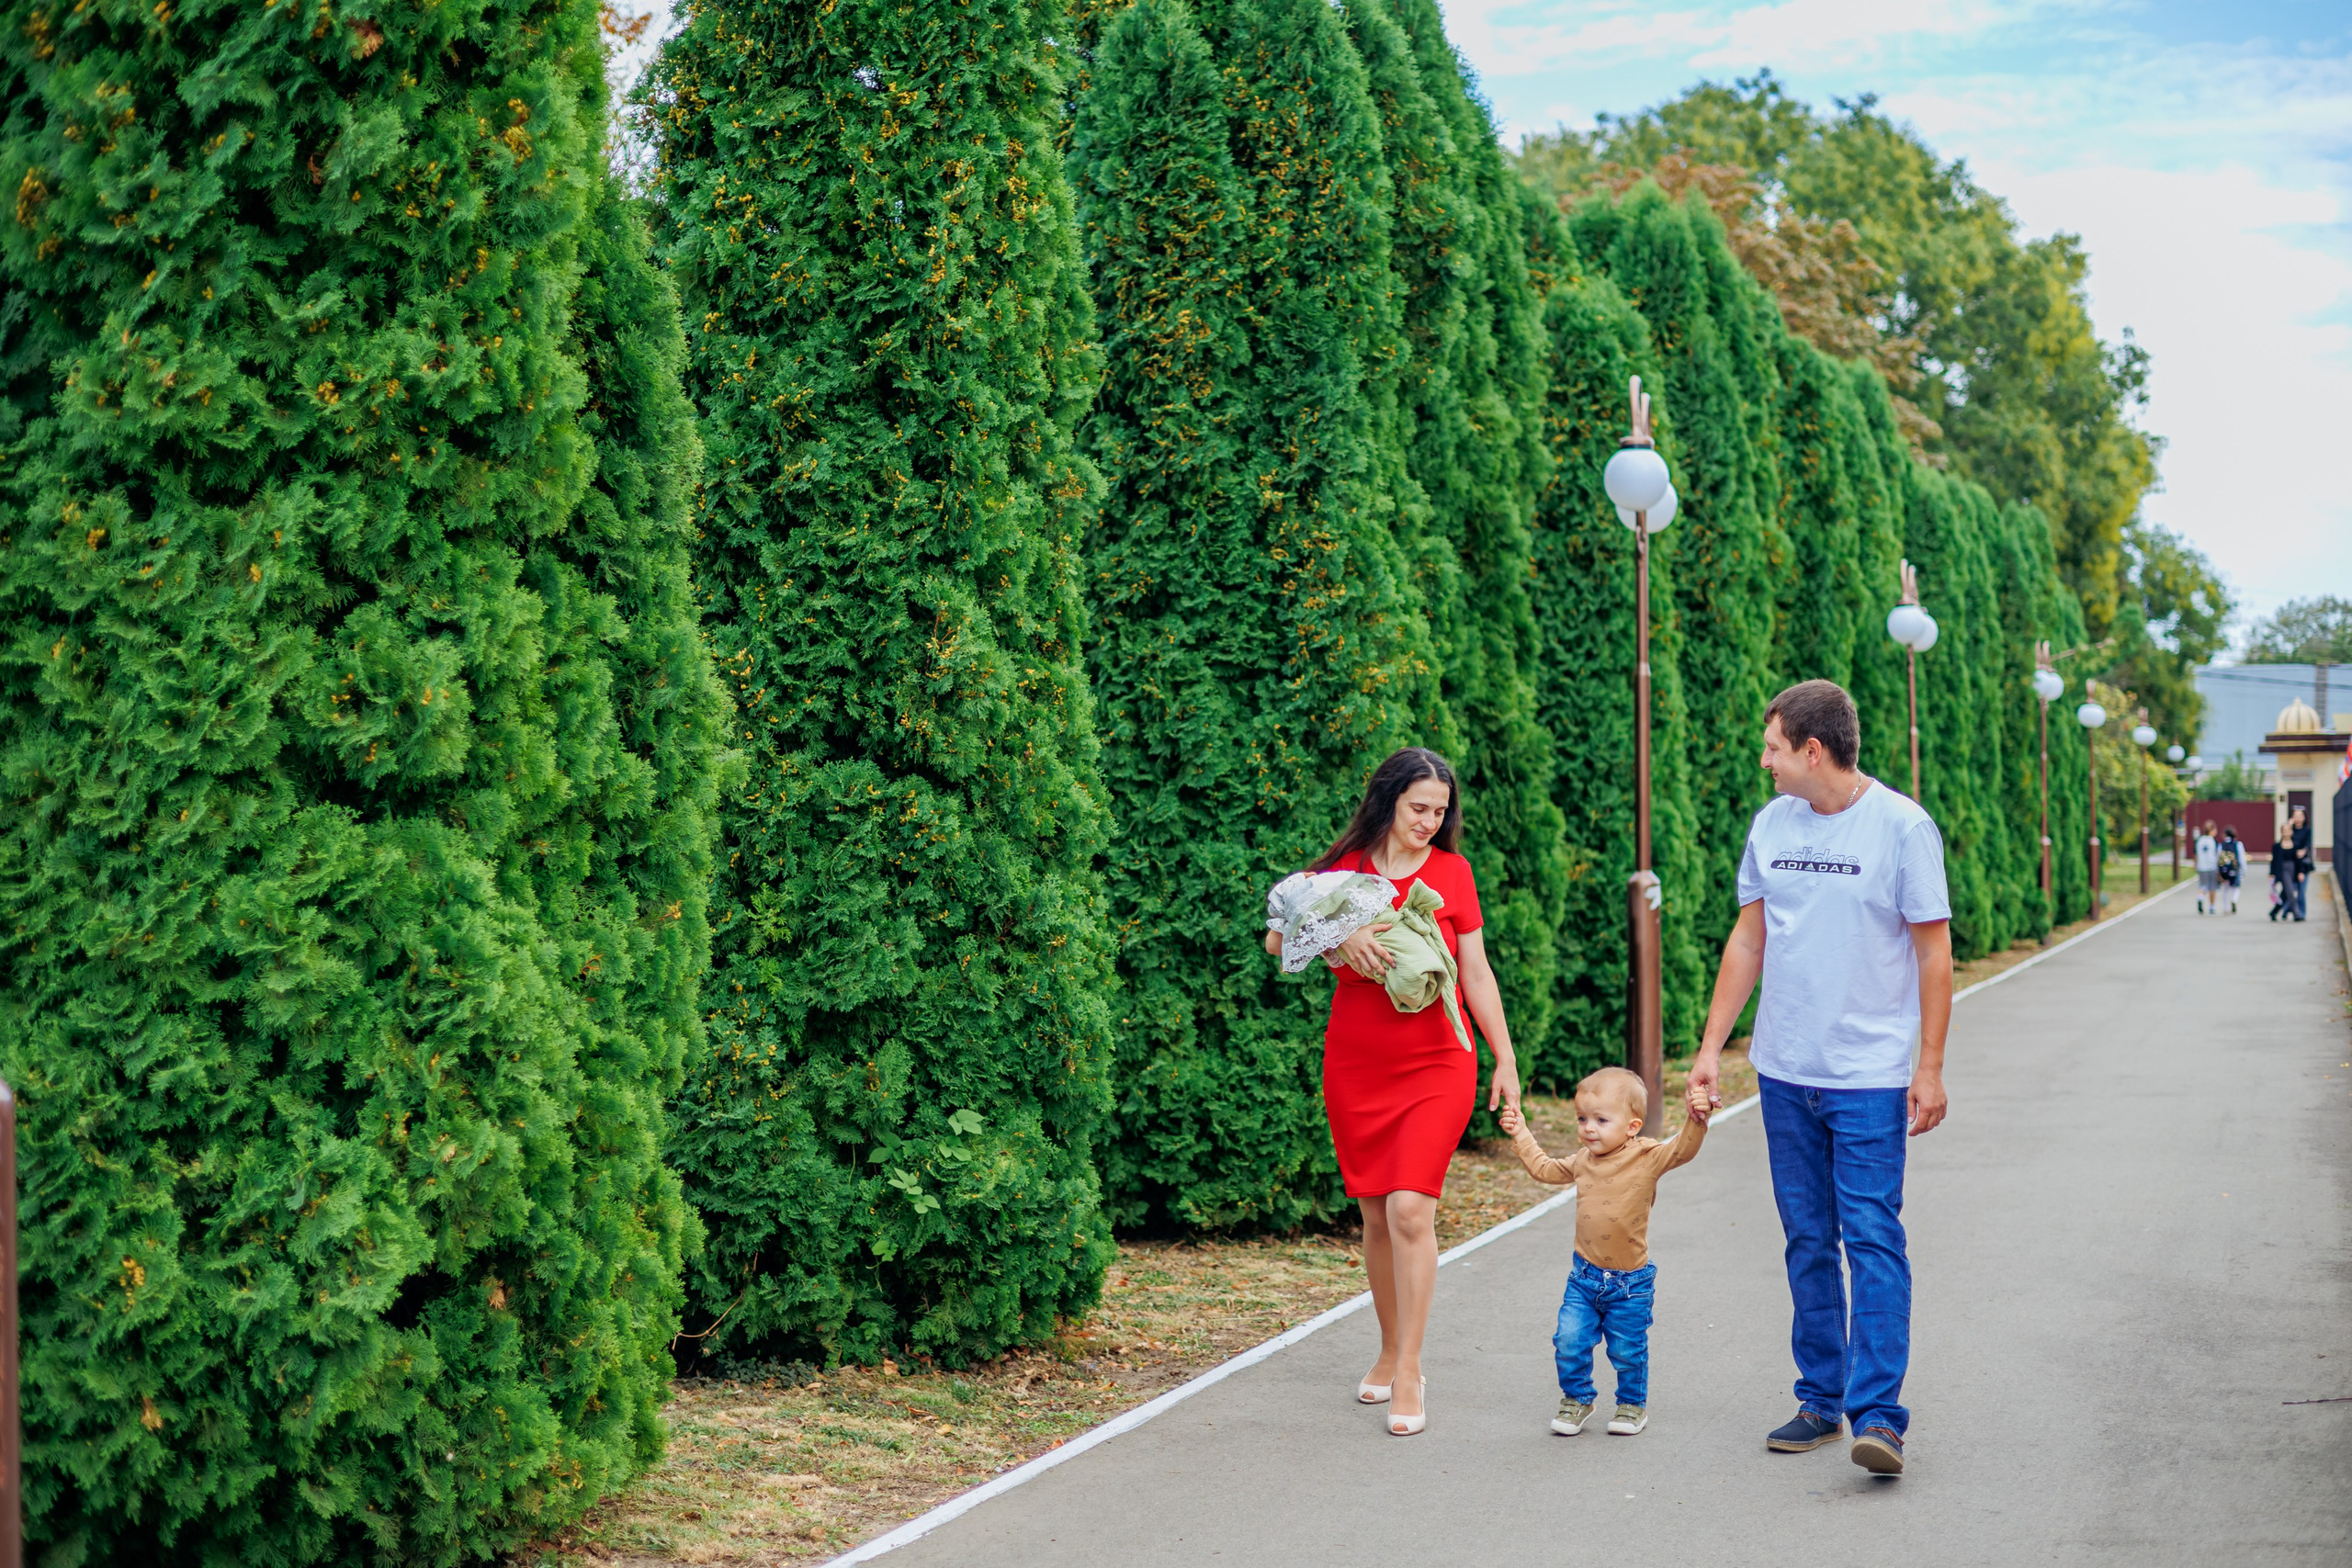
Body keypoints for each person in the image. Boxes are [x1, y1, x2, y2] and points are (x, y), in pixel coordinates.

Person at [1687, 680, 1951, 1478]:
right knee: (1808, 1239)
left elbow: (1934, 952)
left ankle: (1879, 1417)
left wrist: (1929, 1067)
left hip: (1868, 1075)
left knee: (1872, 1238)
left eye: (1772, 746)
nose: (1763, 760)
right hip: (1784, 1069)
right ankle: (1819, 1399)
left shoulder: (1902, 827)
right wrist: (1710, 1048)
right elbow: (1748, 941)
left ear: (1812, 749)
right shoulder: (1773, 824)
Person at [1263, 748, 1520, 1438]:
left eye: (1440, 811)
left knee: (1411, 1208)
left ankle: (1410, 1367)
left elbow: (1478, 972)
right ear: (1387, 802)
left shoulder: (1453, 873)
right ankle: (1385, 1347)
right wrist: (1337, 941)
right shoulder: (1340, 874)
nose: (1430, 822)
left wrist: (1507, 1058)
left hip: (1439, 1058)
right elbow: (1274, 936)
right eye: (1418, 809)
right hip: (1358, 1060)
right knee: (1376, 1215)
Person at [1498, 1069, 1712, 1439]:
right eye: (1582, 1119)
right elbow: (1545, 1169)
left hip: (1630, 1283)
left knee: (1627, 1351)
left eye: (1600, 1120)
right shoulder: (1584, 1160)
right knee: (1568, 1341)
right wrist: (1521, 1133)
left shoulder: (1646, 1156)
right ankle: (1577, 1399)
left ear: (1632, 1126)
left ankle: (1631, 1405)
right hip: (1584, 1278)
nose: (1588, 1128)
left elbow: (1683, 1150)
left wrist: (1697, 1119)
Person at [2269, 823, 2298, 922]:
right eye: (2284, 830)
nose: (2286, 833)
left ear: (2291, 832)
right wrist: (2272, 873)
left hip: (2293, 870)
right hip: (2282, 870)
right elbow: (2274, 860)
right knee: (2290, 892)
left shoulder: (2295, 845)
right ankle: (2297, 913)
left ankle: (2274, 912)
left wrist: (2300, 872)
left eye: (2288, 830)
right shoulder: (2277, 846)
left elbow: (2298, 861)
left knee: (2284, 894)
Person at [2290, 807, 2314, 921]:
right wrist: (2289, 826)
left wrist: (2303, 851)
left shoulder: (2307, 831)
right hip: (2291, 864)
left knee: (2301, 891)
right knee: (2290, 890)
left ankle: (2301, 913)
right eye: (2296, 816)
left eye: (2300, 816)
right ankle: (2288, 909)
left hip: (2303, 864)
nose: (2298, 818)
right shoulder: (2290, 830)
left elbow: (2307, 844)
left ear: (2304, 818)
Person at [2193, 821, 2220, 914]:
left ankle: (2200, 898)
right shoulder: (2213, 841)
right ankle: (2212, 907)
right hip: (2212, 866)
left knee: (2202, 885)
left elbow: (2195, 854)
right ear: (2212, 830)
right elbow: (2217, 854)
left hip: (2201, 866)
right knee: (2212, 887)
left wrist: (2195, 864)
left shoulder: (2199, 840)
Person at [2216, 827, 2244, 915]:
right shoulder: (2238, 844)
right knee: (2236, 887)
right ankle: (2234, 900)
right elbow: (2242, 859)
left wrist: (2218, 871)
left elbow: (2218, 858)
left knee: (2226, 889)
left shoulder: (2222, 845)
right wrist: (2243, 871)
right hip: (2235, 870)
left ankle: (2226, 908)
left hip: (2224, 870)